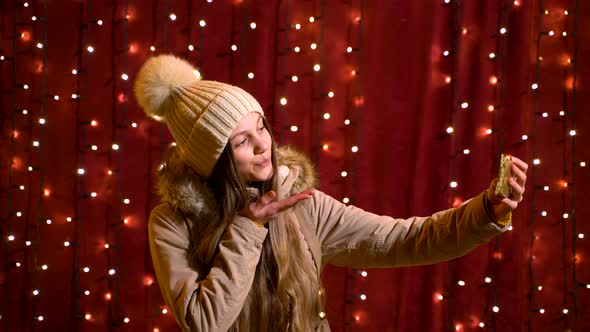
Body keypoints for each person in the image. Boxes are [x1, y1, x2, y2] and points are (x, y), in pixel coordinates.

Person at [134, 55, 528, 332]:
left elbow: (404, 240)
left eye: (261, 127)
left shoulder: (302, 203)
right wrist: (248, 229)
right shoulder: (173, 224)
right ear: (213, 159)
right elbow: (206, 323)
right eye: (241, 141)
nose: (262, 145)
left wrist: (487, 212)